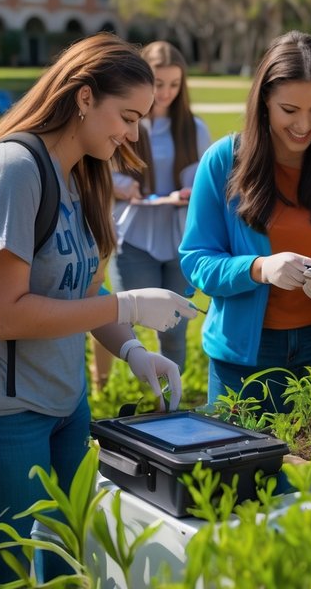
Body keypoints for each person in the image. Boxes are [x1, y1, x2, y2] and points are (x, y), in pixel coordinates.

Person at [0, 33, 199, 588]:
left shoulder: (83, 171)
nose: (134, 134)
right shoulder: (13, 170)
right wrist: (129, 302)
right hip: (0, 414)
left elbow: (83, 293)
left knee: (67, 569)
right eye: (127, 116)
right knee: (6, 576)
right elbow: (6, 314)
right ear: (84, 97)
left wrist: (131, 348)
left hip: (65, 403)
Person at [181, 31, 311, 410]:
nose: (304, 125)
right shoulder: (222, 160)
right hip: (241, 358)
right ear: (264, 103)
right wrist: (258, 268)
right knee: (240, 466)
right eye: (289, 111)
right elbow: (195, 261)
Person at [107, 41, 212, 377]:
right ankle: (125, 401)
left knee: (174, 329)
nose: (165, 93)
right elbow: (99, 171)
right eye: (158, 83)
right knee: (127, 326)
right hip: (135, 237)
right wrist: (118, 185)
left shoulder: (194, 128)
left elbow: (205, 180)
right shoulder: (126, 123)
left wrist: (192, 190)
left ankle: (169, 408)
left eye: (174, 84)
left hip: (179, 240)